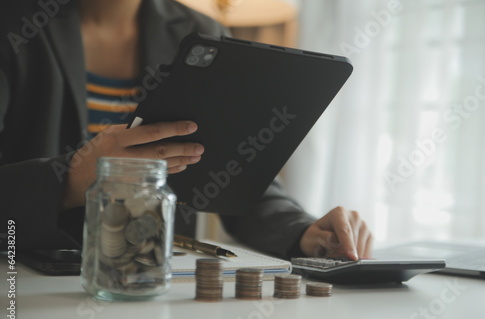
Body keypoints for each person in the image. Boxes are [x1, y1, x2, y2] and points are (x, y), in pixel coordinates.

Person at [0, 0, 372, 260]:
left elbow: (237, 178)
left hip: (155, 284)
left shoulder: (203, 31)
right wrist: (72, 178)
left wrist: (304, 232)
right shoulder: (12, 24)